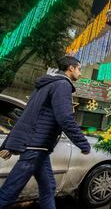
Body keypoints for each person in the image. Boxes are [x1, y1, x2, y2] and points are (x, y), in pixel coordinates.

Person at [0, 56, 91, 209]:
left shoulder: (46, 85)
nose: (80, 73)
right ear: (71, 68)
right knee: (9, 193)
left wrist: (9, 143)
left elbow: (27, 115)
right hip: (35, 148)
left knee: (48, 187)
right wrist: (83, 144)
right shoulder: (62, 85)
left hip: (40, 149)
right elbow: (65, 118)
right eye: (79, 69)